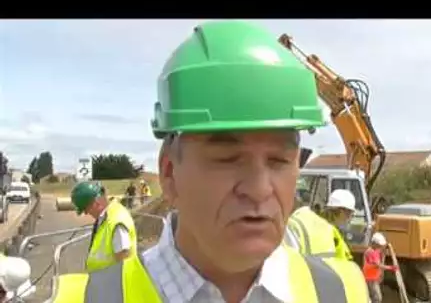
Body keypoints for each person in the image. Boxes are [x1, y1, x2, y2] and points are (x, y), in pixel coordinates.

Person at [51, 20, 368, 303]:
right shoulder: (84, 299)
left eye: (278, 159)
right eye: (228, 159)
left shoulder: (342, 291)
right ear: (169, 173)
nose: (259, 190)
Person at [70, 181, 138, 272]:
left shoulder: (116, 221)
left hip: (111, 283)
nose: (86, 213)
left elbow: (124, 262)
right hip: (102, 280)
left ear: (96, 203)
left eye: (86, 209)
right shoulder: (106, 217)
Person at [286, 188, 356, 260]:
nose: (349, 218)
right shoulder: (331, 232)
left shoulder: (320, 225)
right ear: (341, 212)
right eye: (350, 214)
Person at [363, 232, 397, 303]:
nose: (380, 247)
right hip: (370, 278)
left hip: (373, 278)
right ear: (374, 243)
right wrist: (391, 267)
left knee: (375, 296)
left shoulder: (375, 250)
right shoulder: (370, 252)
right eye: (379, 245)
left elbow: (381, 251)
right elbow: (378, 265)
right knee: (377, 298)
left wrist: (387, 246)